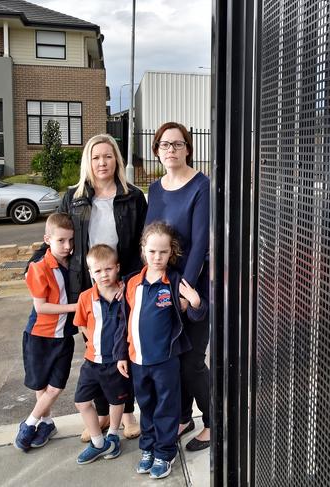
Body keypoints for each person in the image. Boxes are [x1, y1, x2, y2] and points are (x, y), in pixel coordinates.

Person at [30, 134, 146, 440]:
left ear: (116, 160)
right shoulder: (74, 197)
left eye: (108, 156)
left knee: (123, 349)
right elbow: (59, 239)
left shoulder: (132, 197)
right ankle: (104, 414)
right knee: (95, 351)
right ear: (88, 162)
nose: (102, 162)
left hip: (121, 287)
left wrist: (131, 284)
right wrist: (35, 262)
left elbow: (139, 247)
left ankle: (129, 413)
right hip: (87, 289)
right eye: (96, 157)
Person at [118, 222, 206, 479]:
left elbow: (196, 315)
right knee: (145, 406)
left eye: (163, 252)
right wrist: (121, 354)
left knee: (166, 408)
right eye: (152, 251)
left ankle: (164, 453)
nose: (157, 257)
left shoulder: (175, 281)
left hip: (165, 361)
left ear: (171, 253)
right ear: (143, 250)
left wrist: (196, 302)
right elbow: (123, 322)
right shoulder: (132, 282)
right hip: (137, 360)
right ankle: (148, 448)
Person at [145, 122, 211, 451]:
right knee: (174, 356)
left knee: (192, 360)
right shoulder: (155, 190)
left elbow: (199, 243)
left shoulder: (201, 186)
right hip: (163, 286)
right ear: (157, 151)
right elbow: (150, 239)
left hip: (192, 285)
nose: (171, 150)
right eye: (165, 145)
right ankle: (184, 416)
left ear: (188, 148)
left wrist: (185, 292)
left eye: (178, 144)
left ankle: (215, 422)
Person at [15, 213, 78, 452]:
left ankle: (31, 423)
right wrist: (76, 307)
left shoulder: (72, 263)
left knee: (56, 387)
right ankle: (44, 423)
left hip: (63, 337)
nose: (67, 246)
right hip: (40, 336)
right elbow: (41, 306)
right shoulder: (39, 267)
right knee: (42, 387)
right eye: (61, 241)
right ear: (47, 239)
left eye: (70, 240)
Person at [73, 244, 130, 464]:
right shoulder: (86, 297)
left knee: (117, 400)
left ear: (117, 268)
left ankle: (113, 436)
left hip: (116, 362)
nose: (103, 275)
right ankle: (98, 442)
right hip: (92, 361)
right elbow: (82, 325)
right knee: (82, 402)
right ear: (90, 273)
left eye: (108, 269)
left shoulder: (126, 294)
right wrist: (94, 345)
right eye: (97, 271)